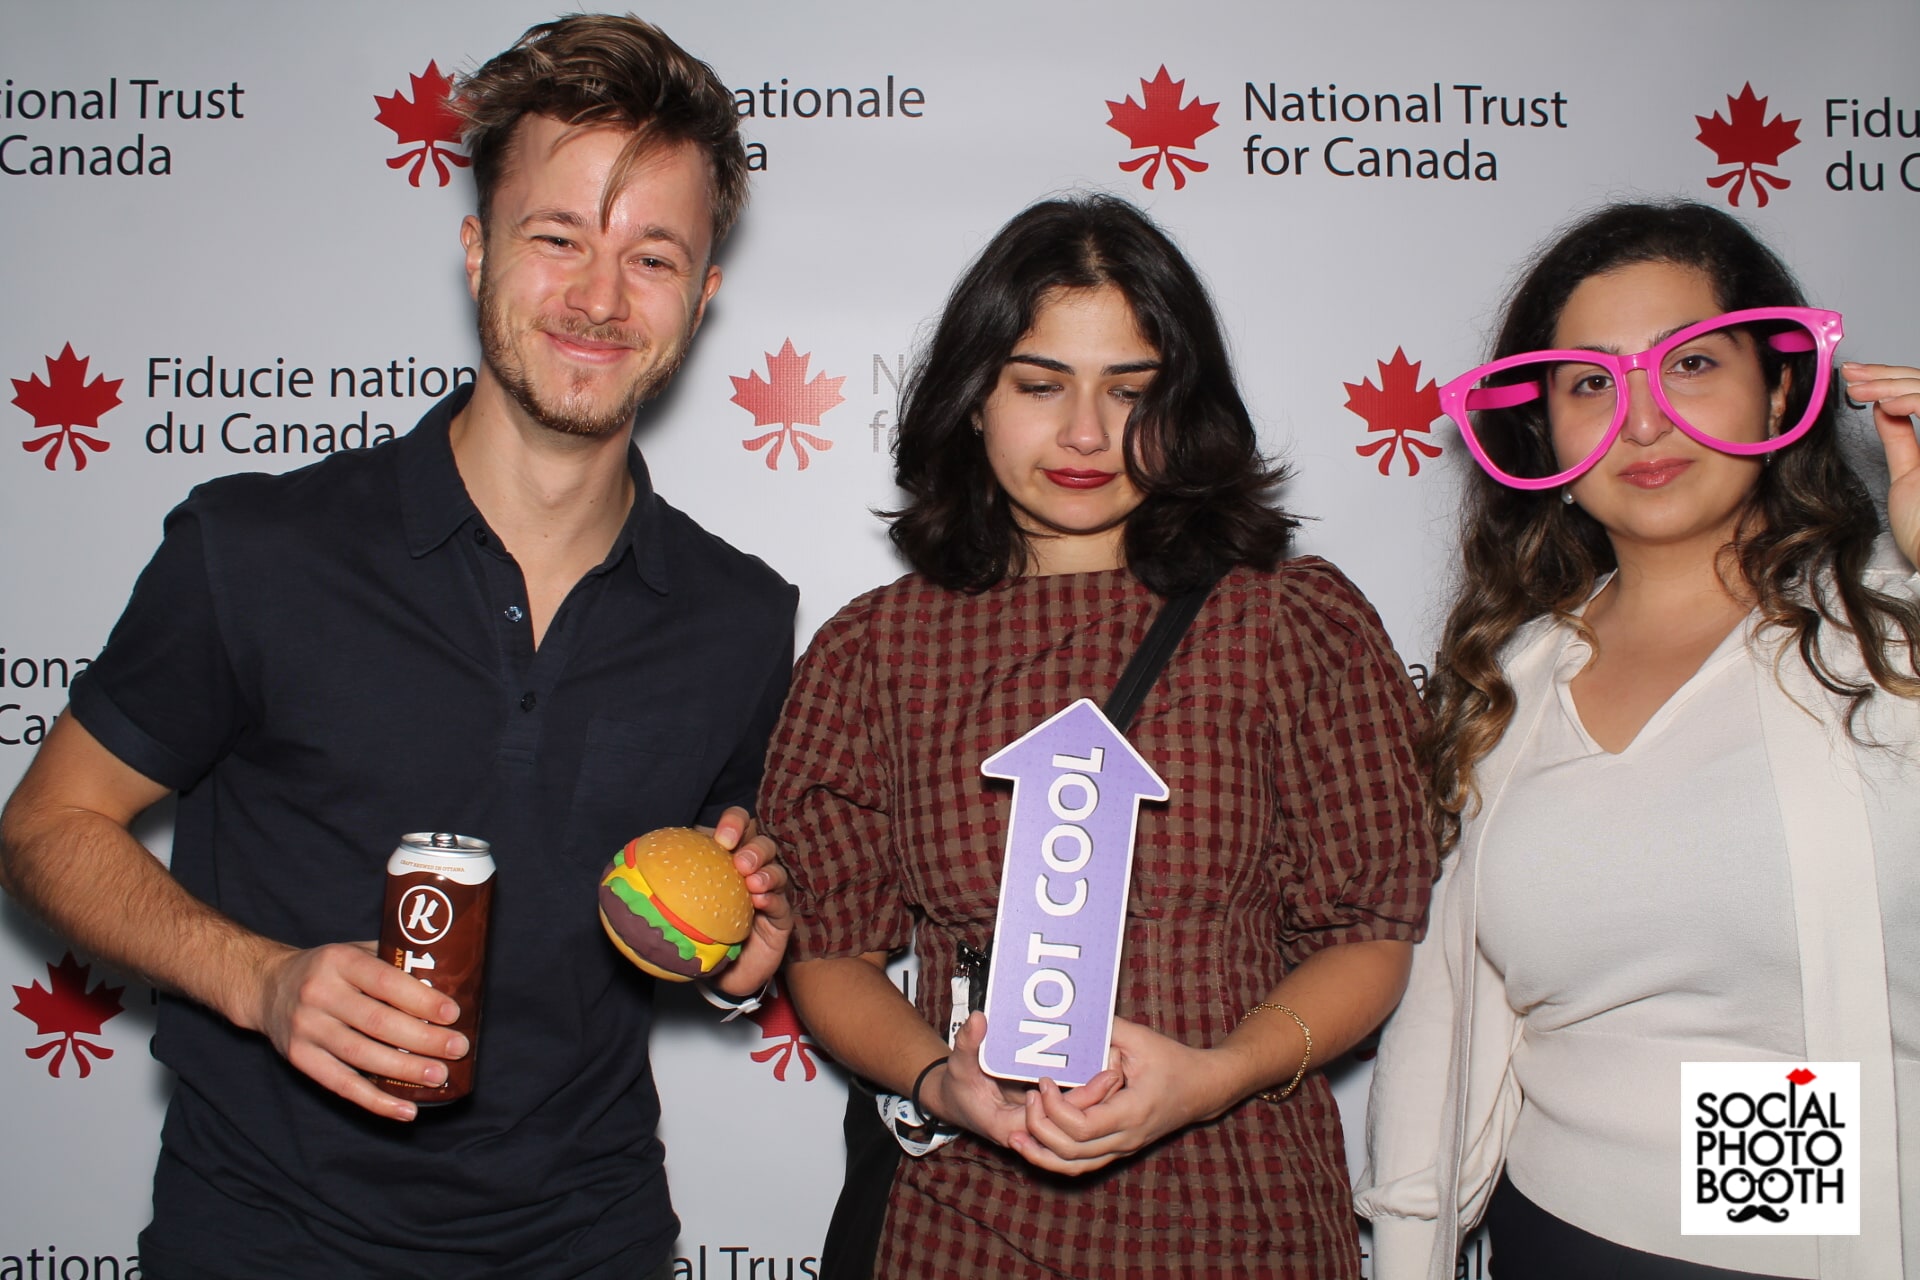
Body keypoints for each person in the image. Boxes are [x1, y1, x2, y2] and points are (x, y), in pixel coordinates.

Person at [0, 16, 797, 1280]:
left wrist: (741, 952)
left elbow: (698, 900)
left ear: (700, 299)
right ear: (478, 251)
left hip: (591, 1238)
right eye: (557, 238)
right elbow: (47, 824)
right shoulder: (257, 548)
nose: (600, 299)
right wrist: (261, 980)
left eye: (652, 256)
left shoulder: (739, 614)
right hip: (265, 1238)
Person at [759, 194, 1438, 1279]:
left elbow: (1369, 935)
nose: (1086, 433)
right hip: (963, 1222)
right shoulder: (876, 650)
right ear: (972, 399)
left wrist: (1217, 1074)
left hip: (1242, 1205)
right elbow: (829, 951)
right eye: (1040, 385)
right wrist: (939, 1083)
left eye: (1132, 390)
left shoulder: (1286, 622)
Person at [1356, 200, 1920, 1278]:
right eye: (1590, 383)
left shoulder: (1887, 635)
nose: (1645, 421)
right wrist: (1412, 1247)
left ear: (1781, 387)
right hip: (1547, 1235)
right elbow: (1449, 1021)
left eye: (1692, 363)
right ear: (1545, 429)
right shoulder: (1514, 678)